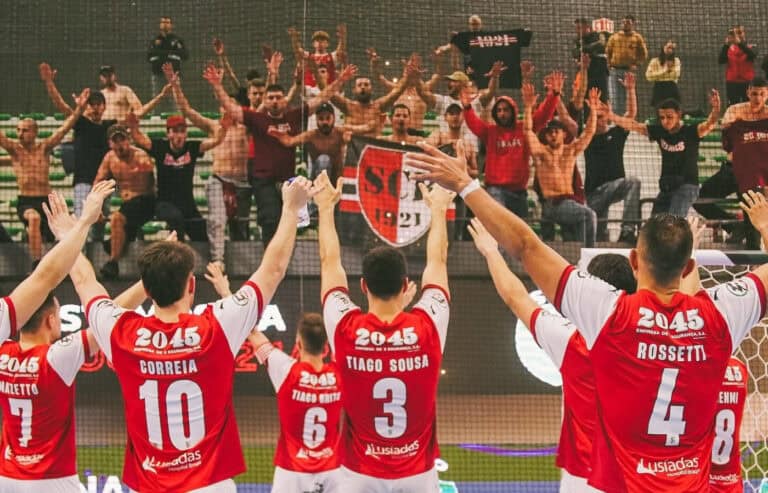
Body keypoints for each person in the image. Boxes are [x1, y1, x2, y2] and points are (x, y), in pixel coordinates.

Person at [404, 142, 768, 491]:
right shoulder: (720, 315)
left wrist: (466, 185)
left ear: (635, 261)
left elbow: (527, 245)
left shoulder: (609, 313)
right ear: (689, 267)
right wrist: (764, 228)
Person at [66, 177, 316, 493]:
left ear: (147, 288)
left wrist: (72, 231)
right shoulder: (216, 327)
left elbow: (86, 283)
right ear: (191, 285)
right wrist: (291, 209)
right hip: (210, 485)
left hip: (152, 485)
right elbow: (273, 270)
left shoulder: (123, 333)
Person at [468, 217, 637, 493]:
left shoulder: (569, 340)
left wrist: (490, 251)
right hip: (636, 477)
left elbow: (516, 297)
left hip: (583, 479)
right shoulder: (652, 338)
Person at [317, 171, 452, 491]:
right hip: (418, 474)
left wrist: (324, 209)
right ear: (406, 286)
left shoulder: (345, 328)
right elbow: (438, 261)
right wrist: (438, 211)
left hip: (358, 475)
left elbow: (328, 262)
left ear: (363, 286)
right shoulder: (428, 325)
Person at [0, 209, 151, 493]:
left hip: (6, 477)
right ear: (50, 320)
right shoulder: (56, 359)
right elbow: (110, 316)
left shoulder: (3, 354)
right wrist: (148, 283)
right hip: (52, 480)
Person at [205, 62, 356, 245]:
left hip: (287, 181)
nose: (275, 101)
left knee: (289, 220)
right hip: (263, 180)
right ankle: (269, 260)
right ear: (265, 101)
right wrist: (217, 86)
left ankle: (284, 257)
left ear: (284, 100)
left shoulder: (293, 116)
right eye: (271, 98)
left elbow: (321, 97)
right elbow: (232, 108)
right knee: (269, 219)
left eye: (278, 97)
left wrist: (340, 80)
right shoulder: (257, 119)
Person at [162, 63, 250, 269]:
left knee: (241, 225)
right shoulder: (213, 127)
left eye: (230, 105)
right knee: (217, 221)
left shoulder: (247, 127)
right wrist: (175, 86)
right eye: (223, 105)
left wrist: (272, 74)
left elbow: (263, 109)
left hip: (242, 183)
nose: (226, 109)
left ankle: (245, 266)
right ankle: (218, 260)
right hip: (218, 179)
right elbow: (186, 110)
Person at [0, 89, 89, 267]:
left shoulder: (44, 148)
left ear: (34, 132)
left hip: (47, 200)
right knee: (34, 219)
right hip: (26, 202)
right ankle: (36, 263)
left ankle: (70, 265)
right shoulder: (15, 151)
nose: (20, 133)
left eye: (24, 130)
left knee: (65, 230)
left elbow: (65, 129)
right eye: (18, 130)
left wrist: (79, 109)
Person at [461, 72, 562, 217]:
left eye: (506, 110)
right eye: (499, 110)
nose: (502, 114)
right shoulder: (490, 132)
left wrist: (554, 95)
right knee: (500, 222)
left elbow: (543, 115)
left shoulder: (524, 129)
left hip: (519, 192)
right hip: (496, 189)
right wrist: (467, 108)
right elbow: (474, 124)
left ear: (513, 111)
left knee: (519, 233)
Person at [608, 90, 721, 216]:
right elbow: (633, 125)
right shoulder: (660, 132)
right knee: (654, 225)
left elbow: (710, 124)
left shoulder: (690, 132)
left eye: (669, 117)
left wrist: (716, 110)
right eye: (662, 117)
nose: (665, 121)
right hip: (667, 187)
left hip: (687, 186)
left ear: (679, 114)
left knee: (672, 222)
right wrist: (610, 115)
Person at [128, 110, 230, 243]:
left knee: (203, 237)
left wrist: (224, 128)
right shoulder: (160, 147)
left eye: (182, 131)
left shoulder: (192, 148)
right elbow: (139, 139)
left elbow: (216, 141)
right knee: (176, 220)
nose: (179, 135)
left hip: (188, 205)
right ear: (168, 133)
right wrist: (133, 127)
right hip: (165, 204)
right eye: (175, 131)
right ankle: (178, 257)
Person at [39, 63, 114, 240]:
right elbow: (61, 105)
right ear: (87, 107)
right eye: (92, 104)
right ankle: (77, 263)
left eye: (99, 104)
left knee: (100, 227)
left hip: (104, 184)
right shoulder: (80, 123)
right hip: (83, 182)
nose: (95, 108)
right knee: (82, 223)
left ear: (104, 106)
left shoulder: (110, 127)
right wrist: (50, 83)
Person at [523, 85, 600, 246]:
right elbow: (528, 131)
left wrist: (593, 110)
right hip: (552, 204)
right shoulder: (542, 153)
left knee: (575, 233)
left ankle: (581, 257)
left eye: (555, 131)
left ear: (564, 134)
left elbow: (589, 133)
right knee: (589, 215)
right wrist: (529, 107)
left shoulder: (570, 151)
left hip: (570, 204)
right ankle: (589, 254)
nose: (552, 135)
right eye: (549, 132)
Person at [94, 125, 156, 280]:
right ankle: (118, 244)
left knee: (116, 218)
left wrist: (141, 169)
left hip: (145, 201)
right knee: (118, 231)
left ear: (128, 140)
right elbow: (98, 182)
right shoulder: (109, 158)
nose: (120, 145)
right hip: (128, 205)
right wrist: (97, 207)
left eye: (122, 140)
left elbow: (150, 176)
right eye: (116, 141)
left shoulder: (140, 156)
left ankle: (113, 263)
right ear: (110, 143)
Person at [584, 73, 641, 243]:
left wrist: (631, 90)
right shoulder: (587, 137)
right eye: (597, 117)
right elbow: (588, 126)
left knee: (633, 182)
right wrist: (594, 111)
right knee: (599, 237)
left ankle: (627, 230)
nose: (601, 120)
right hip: (595, 195)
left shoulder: (616, 134)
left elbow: (631, 115)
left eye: (603, 117)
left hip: (615, 188)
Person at [717, 78, 768, 248]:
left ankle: (754, 260)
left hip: (757, 176)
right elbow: (725, 130)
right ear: (748, 93)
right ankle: (734, 225)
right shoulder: (735, 111)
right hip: (732, 171)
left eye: (762, 94)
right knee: (700, 197)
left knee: (752, 214)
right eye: (754, 93)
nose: (758, 98)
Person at [268, 102, 348, 184]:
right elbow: (290, 141)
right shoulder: (311, 136)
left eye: (328, 118)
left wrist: (348, 139)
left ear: (334, 118)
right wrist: (278, 134)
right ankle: (320, 193)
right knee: (324, 160)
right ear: (316, 119)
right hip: (317, 182)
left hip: (338, 179)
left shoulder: (341, 133)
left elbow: (359, 132)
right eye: (321, 118)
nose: (325, 122)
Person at [605, 15, 648, 114]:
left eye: (628, 22)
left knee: (628, 96)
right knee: (614, 96)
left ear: (633, 24)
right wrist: (609, 64)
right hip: (614, 70)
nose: (625, 24)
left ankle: (628, 121)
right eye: (623, 22)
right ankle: (617, 121)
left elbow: (644, 54)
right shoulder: (614, 37)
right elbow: (607, 51)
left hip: (629, 71)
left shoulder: (637, 38)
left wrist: (637, 64)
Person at [97, 65, 169, 122]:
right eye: (104, 75)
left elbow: (140, 110)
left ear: (114, 76)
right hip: (103, 130)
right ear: (101, 78)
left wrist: (161, 96)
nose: (107, 78)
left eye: (109, 75)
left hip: (121, 129)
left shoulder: (125, 90)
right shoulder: (100, 94)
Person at [147, 16, 188, 100]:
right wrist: (168, 54)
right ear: (160, 25)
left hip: (174, 76)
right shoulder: (154, 40)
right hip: (157, 75)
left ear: (171, 25)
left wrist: (164, 54)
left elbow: (185, 55)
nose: (165, 25)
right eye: (163, 22)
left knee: (176, 100)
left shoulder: (177, 40)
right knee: (157, 99)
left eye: (167, 22)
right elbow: (149, 56)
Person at [719, 26, 757, 106]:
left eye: (739, 33)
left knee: (748, 106)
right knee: (733, 106)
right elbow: (721, 60)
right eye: (734, 34)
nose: (737, 35)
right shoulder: (728, 48)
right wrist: (726, 45)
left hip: (747, 83)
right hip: (732, 83)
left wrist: (739, 43)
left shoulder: (751, 47)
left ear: (744, 34)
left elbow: (752, 55)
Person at [572, 18, 609, 98]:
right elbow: (576, 53)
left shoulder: (596, 36)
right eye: (576, 28)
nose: (577, 31)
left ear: (586, 27)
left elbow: (601, 47)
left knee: (602, 98)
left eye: (579, 28)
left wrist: (586, 49)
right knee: (586, 99)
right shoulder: (577, 40)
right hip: (586, 75)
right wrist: (591, 48)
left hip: (600, 73)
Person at [645, 40, 681, 107]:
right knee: (659, 111)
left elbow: (676, 74)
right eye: (668, 47)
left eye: (672, 48)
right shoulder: (654, 61)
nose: (670, 50)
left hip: (672, 88)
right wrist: (666, 70)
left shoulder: (676, 61)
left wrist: (658, 75)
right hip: (659, 89)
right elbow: (649, 76)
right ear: (663, 47)